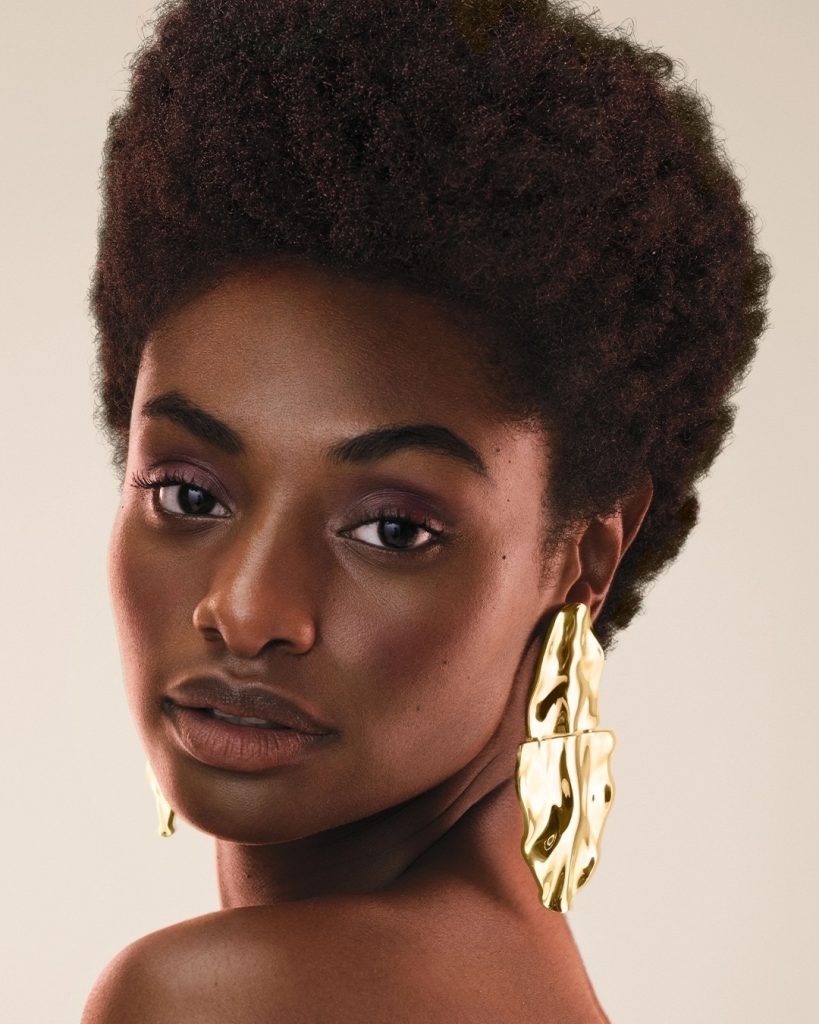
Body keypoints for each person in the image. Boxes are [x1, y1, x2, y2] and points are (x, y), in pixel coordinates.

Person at [81, 0, 770, 1020]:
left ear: (582, 556)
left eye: (392, 530)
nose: (246, 606)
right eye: (190, 495)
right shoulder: (515, 970)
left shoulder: (216, 997)